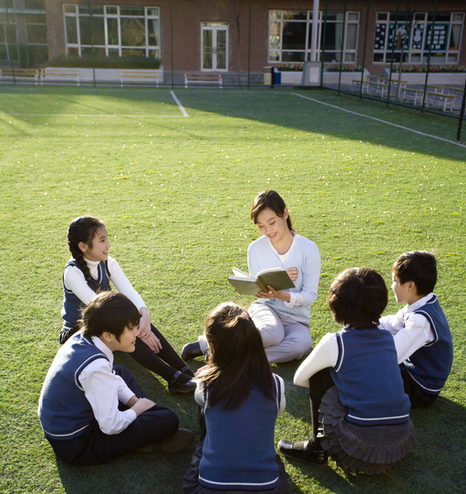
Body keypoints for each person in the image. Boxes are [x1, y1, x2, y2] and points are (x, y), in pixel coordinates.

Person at [279, 268, 415, 475]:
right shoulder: (388, 338)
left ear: (337, 305)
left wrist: (341, 382)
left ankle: (315, 448)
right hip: (400, 440)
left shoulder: (336, 341)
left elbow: (300, 379)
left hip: (360, 443)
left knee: (320, 373)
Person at [39, 291, 194, 466]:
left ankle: (147, 427)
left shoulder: (87, 337)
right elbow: (110, 425)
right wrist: (138, 409)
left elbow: (112, 378)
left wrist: (134, 401)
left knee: (120, 373)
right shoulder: (95, 367)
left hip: (69, 421)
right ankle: (150, 437)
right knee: (167, 419)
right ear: (108, 335)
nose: (137, 332)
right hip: (77, 443)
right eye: (131, 328)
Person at [182, 190, 321, 364]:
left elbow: (310, 295)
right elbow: (258, 289)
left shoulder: (308, 249)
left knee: (301, 345)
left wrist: (282, 295)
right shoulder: (255, 248)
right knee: (273, 334)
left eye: (272, 222)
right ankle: (212, 343)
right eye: (261, 226)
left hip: (296, 321)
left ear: (285, 213)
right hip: (266, 310)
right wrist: (266, 291)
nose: (268, 230)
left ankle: (227, 354)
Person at [183, 302, 289, 494]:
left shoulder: (205, 385)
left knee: (206, 417)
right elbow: (276, 412)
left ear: (214, 347)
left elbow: (199, 402)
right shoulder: (276, 384)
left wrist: (207, 374)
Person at [60, 215, 195, 394]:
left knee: (135, 321)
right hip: (79, 333)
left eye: (107, 238)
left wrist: (144, 315)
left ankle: (187, 372)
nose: (108, 244)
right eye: (102, 240)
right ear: (83, 247)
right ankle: (173, 378)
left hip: (105, 326)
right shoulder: (72, 273)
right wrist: (138, 331)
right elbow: (100, 310)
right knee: (125, 326)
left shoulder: (108, 262)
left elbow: (130, 292)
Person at [378, 251, 453, 408]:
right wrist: (364, 323)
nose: (391, 286)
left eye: (395, 281)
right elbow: (393, 323)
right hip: (413, 370)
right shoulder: (423, 301)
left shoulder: (420, 321)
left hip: (421, 387)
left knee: (370, 372)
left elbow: (390, 356)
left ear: (410, 286)